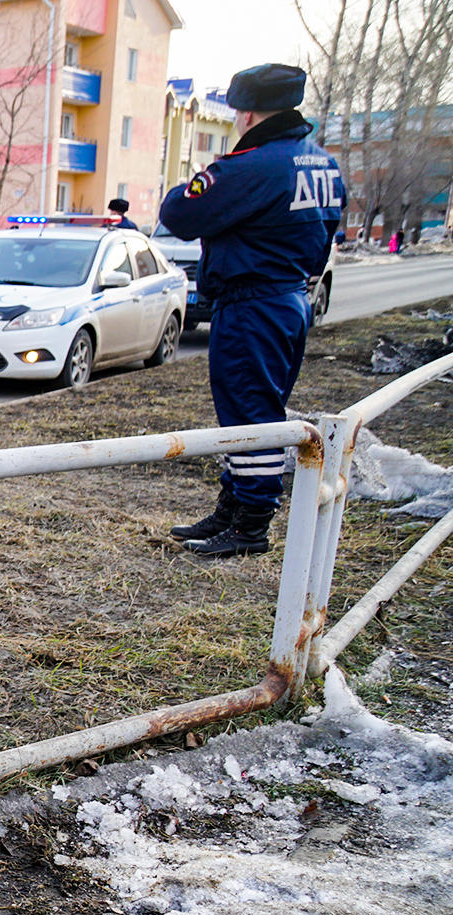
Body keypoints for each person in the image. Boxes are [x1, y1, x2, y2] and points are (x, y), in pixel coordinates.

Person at [159, 63, 344, 558]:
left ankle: (250, 525)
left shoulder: (255, 165)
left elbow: (179, 213)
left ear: (246, 113)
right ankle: (234, 508)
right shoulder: (321, 162)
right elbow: (325, 238)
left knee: (250, 415)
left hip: (251, 304)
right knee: (255, 410)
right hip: (288, 299)